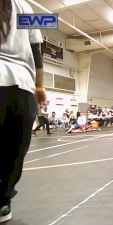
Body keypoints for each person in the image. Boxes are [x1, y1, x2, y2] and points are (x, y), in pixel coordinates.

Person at [0, 0, 46, 222]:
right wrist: (40, 86)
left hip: (16, 82)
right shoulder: (25, 6)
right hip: (20, 84)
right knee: (15, 150)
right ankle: (3, 201)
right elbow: (37, 49)